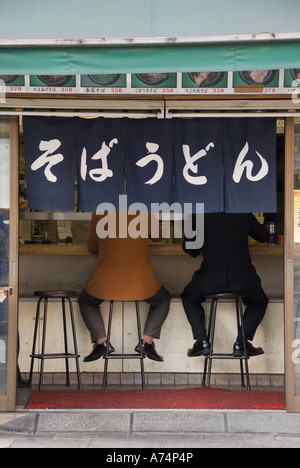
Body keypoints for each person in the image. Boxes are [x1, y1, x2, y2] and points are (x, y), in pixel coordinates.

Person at [78, 211, 170, 363]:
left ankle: (102, 343)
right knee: (163, 300)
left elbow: (92, 249)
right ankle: (145, 342)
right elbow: (159, 236)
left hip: (105, 282)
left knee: (86, 302)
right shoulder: (144, 213)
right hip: (140, 283)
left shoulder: (99, 214)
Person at [181, 212, 270, 358]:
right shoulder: (243, 214)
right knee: (260, 301)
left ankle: (202, 341)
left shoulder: (200, 216)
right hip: (243, 279)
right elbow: (264, 237)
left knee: (189, 297)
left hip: (209, 279)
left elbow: (190, 249)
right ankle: (242, 342)